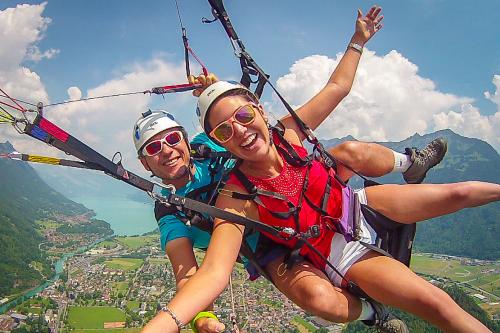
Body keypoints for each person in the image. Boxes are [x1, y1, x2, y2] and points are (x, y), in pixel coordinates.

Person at [136, 6, 452, 333]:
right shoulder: (172, 212)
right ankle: (374, 315)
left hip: (294, 197)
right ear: (144, 163)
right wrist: (203, 317)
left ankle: (411, 164)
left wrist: (214, 93)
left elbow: (246, 119)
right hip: (266, 242)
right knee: (318, 299)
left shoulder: (212, 143)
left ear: (187, 139)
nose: (167, 151)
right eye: (153, 149)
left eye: (171, 139)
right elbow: (188, 271)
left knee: (349, 151)